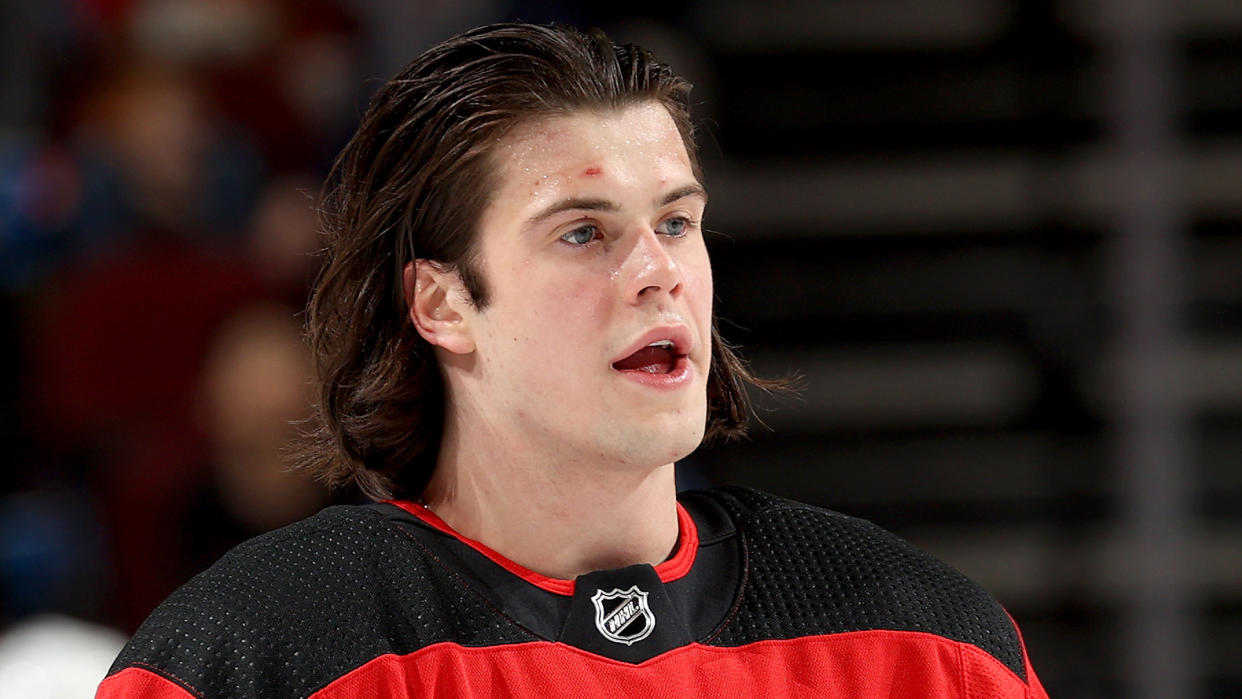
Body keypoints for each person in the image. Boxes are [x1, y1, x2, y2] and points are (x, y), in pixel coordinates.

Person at [97, 23, 1048, 698]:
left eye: (677, 221)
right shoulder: (257, 652)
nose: (658, 273)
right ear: (441, 302)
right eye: (584, 234)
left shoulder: (924, 642)